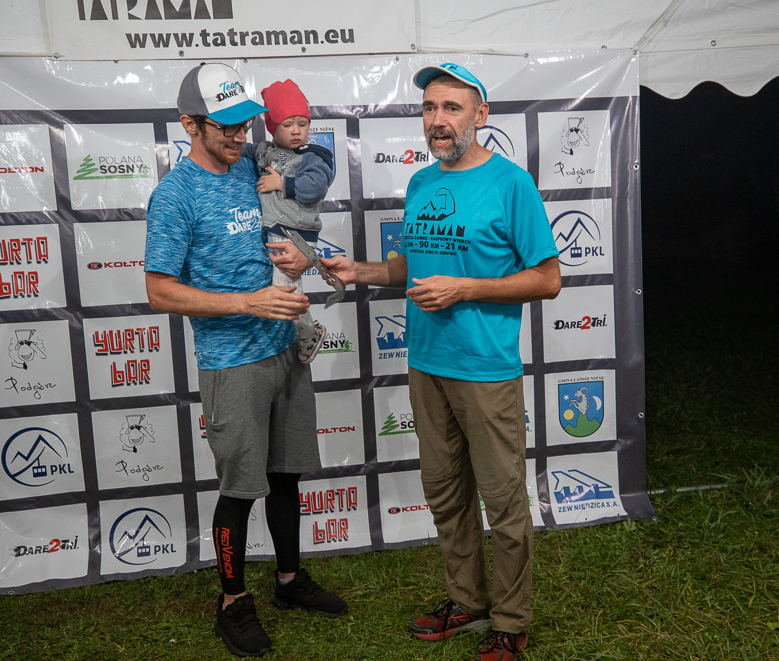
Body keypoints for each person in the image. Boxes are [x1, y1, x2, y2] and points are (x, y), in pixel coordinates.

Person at [326, 62, 560, 661]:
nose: (437, 119)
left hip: (485, 371)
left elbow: (548, 279)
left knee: (503, 504)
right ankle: (467, 600)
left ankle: (510, 620)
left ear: (480, 115)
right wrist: (360, 272)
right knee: (446, 493)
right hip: (427, 365)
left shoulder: (511, 184)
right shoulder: (422, 184)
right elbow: (412, 267)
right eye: (429, 107)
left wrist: (467, 288)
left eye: (451, 108)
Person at [144, 62, 347, 659]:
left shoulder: (252, 168)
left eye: (245, 124)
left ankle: (289, 578)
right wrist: (246, 302)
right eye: (226, 127)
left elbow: (289, 222)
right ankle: (232, 602)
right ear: (190, 125)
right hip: (231, 361)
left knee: (286, 475)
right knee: (239, 489)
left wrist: (302, 259)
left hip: (287, 348)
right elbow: (159, 291)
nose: (240, 136)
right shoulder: (174, 195)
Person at [248, 78, 334, 364]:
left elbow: (315, 188)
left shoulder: (314, 155)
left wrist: (281, 183)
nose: (297, 130)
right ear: (273, 127)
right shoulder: (264, 150)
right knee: (285, 287)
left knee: (284, 290)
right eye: (287, 124)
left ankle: (308, 334)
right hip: (275, 230)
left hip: (298, 232)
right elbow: (238, 153)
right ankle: (299, 332)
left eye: (302, 123)